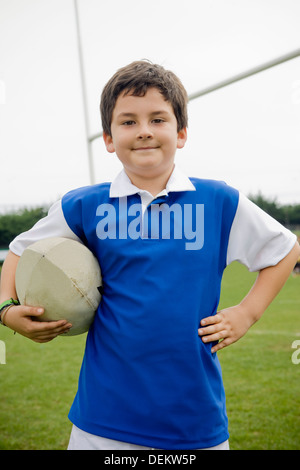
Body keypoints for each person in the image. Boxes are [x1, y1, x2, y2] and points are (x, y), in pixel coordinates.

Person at [0, 61, 299, 451]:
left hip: (194, 420)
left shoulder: (217, 200)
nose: (143, 131)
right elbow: (20, 250)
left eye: (158, 119)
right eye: (128, 122)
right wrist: (6, 309)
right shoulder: (84, 205)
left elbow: (285, 248)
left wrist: (247, 312)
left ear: (181, 132)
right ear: (108, 138)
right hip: (102, 421)